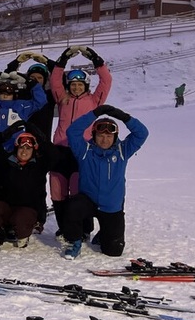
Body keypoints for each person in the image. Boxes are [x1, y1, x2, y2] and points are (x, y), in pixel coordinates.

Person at [60, 105, 148, 260]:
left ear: (115, 137)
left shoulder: (123, 150)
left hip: (111, 206)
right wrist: (94, 114)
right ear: (94, 135)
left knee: (113, 251)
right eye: (100, 135)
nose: (104, 139)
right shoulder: (85, 150)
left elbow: (142, 133)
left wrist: (124, 117)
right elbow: (72, 131)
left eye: (109, 136)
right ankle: (75, 241)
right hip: (88, 201)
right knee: (72, 207)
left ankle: (105, 233)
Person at [49, 46, 112, 236]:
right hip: (60, 150)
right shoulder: (62, 98)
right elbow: (54, 80)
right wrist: (62, 60)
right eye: (73, 84)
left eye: (80, 84)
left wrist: (95, 59)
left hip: (82, 151)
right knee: (57, 192)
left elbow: (106, 81)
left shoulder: (94, 101)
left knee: (78, 191)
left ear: (86, 85)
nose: (76, 87)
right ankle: (64, 226)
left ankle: (84, 228)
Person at [0, 121, 59, 253]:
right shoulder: (6, 161)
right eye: (21, 147)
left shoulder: (39, 165)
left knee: (21, 218)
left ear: (33, 150)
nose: (24, 151)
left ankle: (22, 235)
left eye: (28, 148)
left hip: (26, 210)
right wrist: (7, 133)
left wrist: (38, 134)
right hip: (7, 208)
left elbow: (54, 154)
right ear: (16, 148)